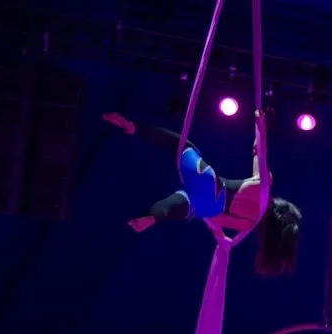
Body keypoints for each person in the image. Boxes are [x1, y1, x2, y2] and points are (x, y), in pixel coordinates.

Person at [103, 110, 301, 276]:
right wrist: (219, 235)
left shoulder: (265, 184)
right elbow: (217, 220)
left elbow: (259, 151)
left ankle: (133, 127)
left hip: (210, 184)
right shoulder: (249, 224)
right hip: (208, 206)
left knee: (181, 145)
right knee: (178, 205)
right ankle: (153, 217)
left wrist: (260, 124)